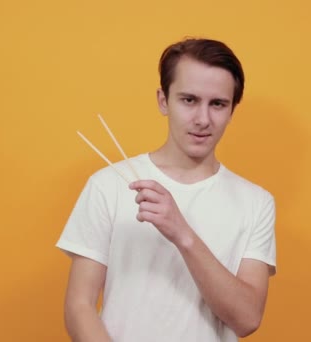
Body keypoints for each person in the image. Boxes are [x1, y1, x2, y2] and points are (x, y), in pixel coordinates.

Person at [56, 37, 277, 342]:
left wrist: (182, 233)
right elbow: (79, 305)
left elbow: (247, 319)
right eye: (189, 100)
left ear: (232, 110)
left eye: (218, 104)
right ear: (163, 100)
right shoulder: (108, 184)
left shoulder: (256, 202)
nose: (203, 119)